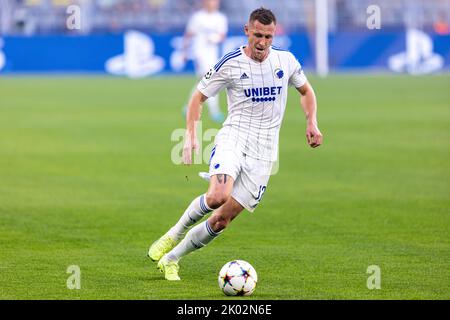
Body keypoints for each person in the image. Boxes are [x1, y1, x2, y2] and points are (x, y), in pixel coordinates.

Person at [148, 7, 323, 281]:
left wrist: (311, 121)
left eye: (267, 36)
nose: (262, 42)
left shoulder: (286, 61)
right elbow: (198, 98)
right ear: (246, 31)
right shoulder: (230, 63)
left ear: (273, 34)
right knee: (218, 194)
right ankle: (174, 233)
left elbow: (306, 91)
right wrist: (191, 135)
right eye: (257, 35)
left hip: (265, 153)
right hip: (234, 137)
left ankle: (172, 259)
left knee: (221, 220)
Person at [181, 0, 228, 123]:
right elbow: (188, 34)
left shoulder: (220, 18)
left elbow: (222, 35)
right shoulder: (197, 17)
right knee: (211, 80)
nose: (213, 3)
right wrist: (184, 51)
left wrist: (215, 38)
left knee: (203, 82)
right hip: (199, 53)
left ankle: (189, 107)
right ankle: (215, 111)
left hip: (212, 54)